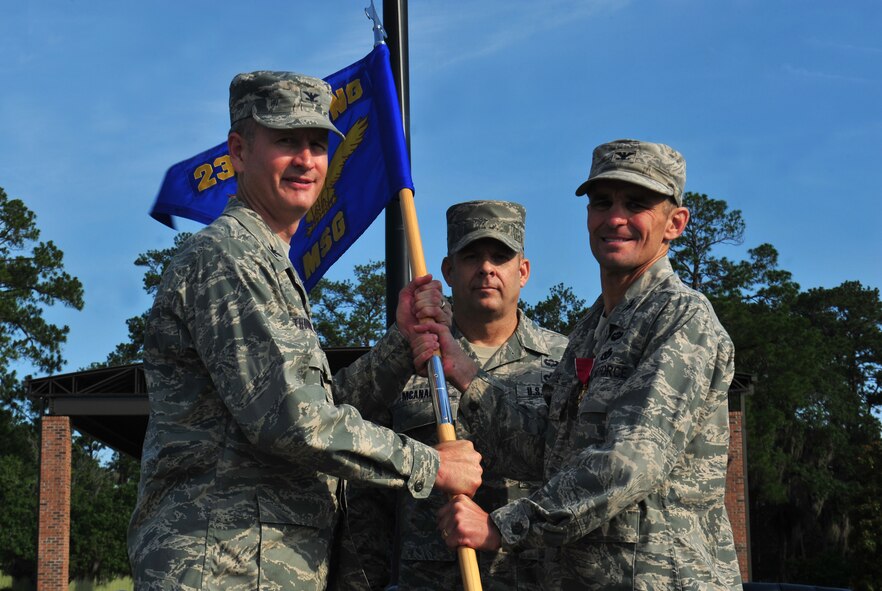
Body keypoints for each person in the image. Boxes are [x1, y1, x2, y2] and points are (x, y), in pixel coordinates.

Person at [127, 71, 482, 591]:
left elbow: (315, 404)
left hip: (257, 563)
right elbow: (294, 421)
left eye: (318, 144)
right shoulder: (229, 257)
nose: (306, 160)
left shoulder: (268, 263)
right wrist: (430, 465)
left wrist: (400, 345)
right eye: (286, 141)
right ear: (239, 151)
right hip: (223, 566)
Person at [420, 139, 742, 589]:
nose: (614, 218)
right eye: (601, 203)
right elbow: (549, 454)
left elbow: (632, 461)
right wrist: (466, 376)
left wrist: (504, 526)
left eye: (637, 204)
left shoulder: (681, 319)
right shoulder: (591, 330)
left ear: (675, 223)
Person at [345, 201, 568, 590]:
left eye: (501, 256)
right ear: (448, 271)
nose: (486, 268)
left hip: (534, 578)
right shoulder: (410, 358)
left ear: (524, 271)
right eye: (471, 257)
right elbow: (360, 482)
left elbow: (576, 473)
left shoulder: (564, 362)